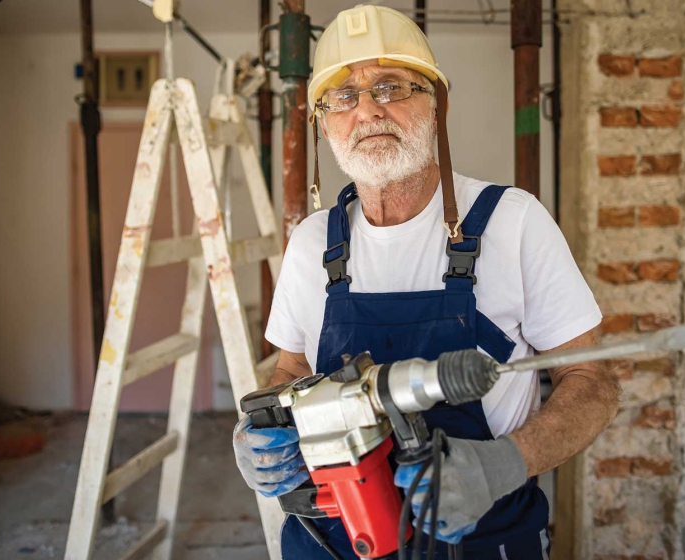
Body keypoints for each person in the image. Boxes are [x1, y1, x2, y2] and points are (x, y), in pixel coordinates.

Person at [233, 5, 620, 558]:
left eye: (389, 86)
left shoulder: (513, 222)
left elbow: (593, 379)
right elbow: (293, 369)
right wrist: (259, 434)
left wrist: (508, 461)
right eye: (342, 96)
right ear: (323, 123)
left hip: (480, 537)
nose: (366, 109)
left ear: (435, 104)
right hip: (334, 538)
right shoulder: (311, 242)